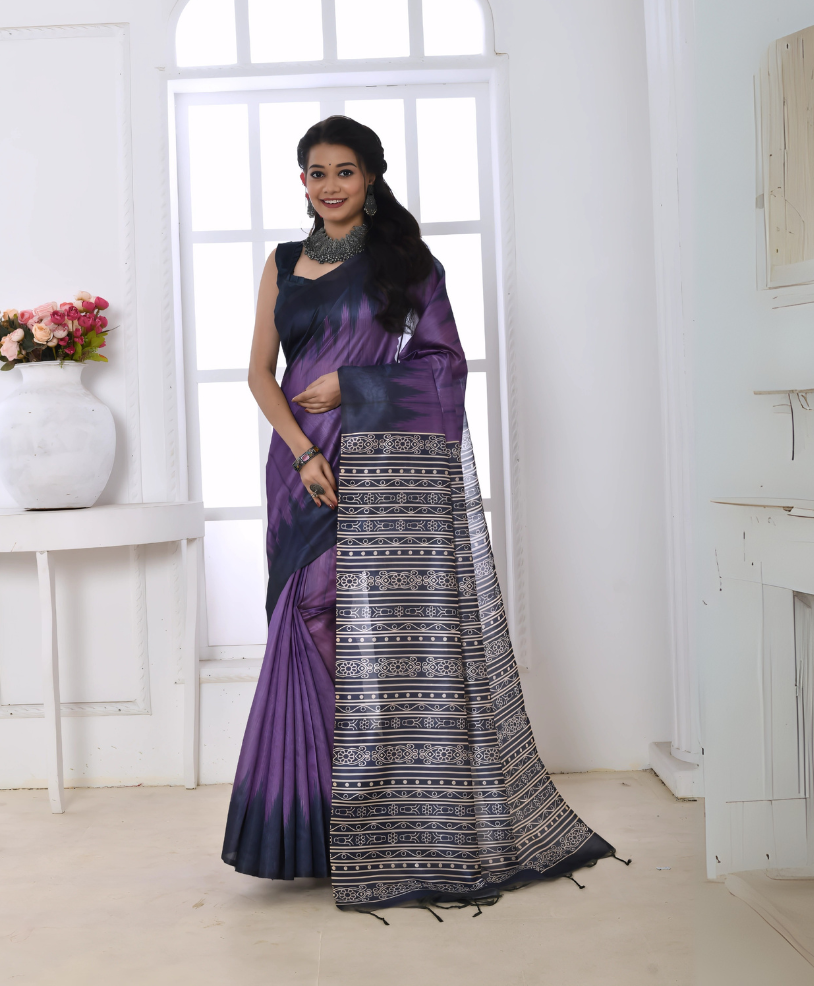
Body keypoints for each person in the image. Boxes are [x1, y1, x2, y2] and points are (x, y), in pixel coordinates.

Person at [222, 115, 619, 914]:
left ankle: (384, 806)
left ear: (371, 175)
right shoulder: (281, 264)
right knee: (305, 619)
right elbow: (261, 373)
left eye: (344, 170)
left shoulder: (405, 262)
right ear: (301, 182)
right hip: (302, 465)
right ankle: (325, 819)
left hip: (378, 462)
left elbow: (444, 366)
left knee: (354, 623)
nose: (329, 185)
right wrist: (301, 447)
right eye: (315, 172)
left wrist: (354, 388)